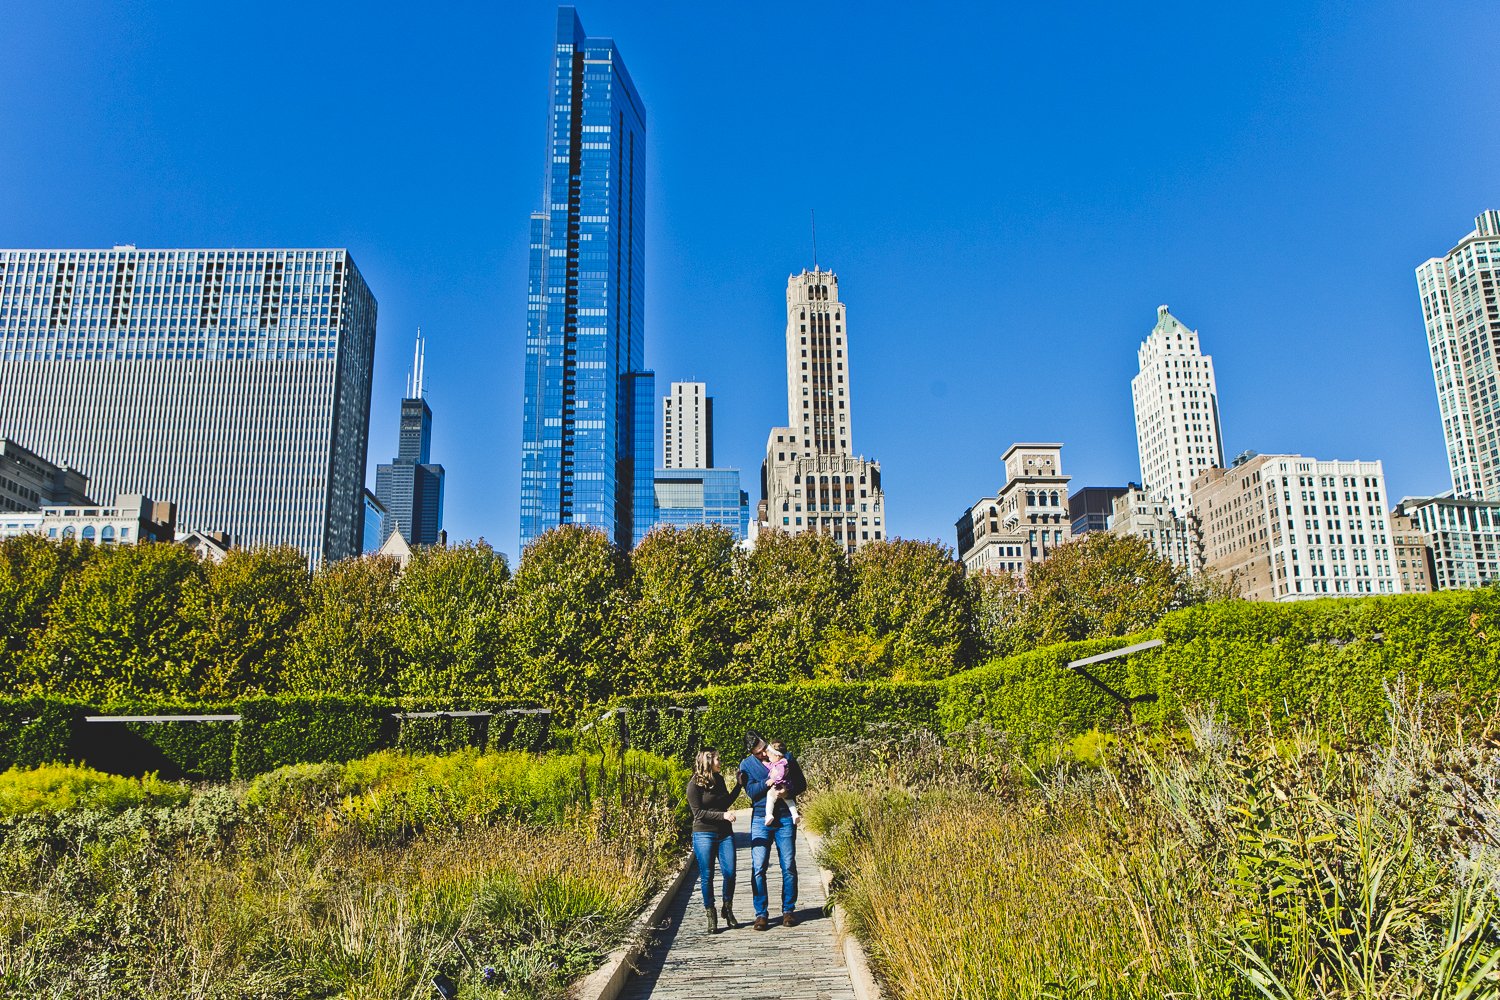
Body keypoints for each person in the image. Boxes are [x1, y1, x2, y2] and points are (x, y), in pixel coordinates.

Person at [739, 731, 806, 929]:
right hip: (761, 818)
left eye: (763, 749)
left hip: (785, 817)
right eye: (757, 753)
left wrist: (788, 791)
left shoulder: (786, 757)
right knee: (759, 867)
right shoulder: (746, 765)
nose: (762, 755)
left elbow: (802, 784)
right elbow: (751, 792)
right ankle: (761, 913)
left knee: (788, 865)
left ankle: (788, 911)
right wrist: (766, 783)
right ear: (751, 752)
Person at [686, 748, 744, 934]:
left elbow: (724, 802)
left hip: (725, 834)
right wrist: (723, 816)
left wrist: (738, 786)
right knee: (707, 875)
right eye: (718, 759)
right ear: (708, 761)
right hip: (704, 834)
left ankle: (727, 908)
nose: (721, 761)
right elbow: (698, 813)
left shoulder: (718, 780)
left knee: (730, 872)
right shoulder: (694, 785)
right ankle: (710, 914)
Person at [762, 740, 802, 825]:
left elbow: (781, 774)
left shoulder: (781, 764)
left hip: (781, 784)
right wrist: (764, 763)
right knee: (788, 800)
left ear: (777, 756)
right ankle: (794, 814)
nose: (769, 759)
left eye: (770, 757)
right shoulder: (776, 762)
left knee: (770, 797)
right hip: (781, 785)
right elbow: (770, 766)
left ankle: (769, 814)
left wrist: (773, 780)